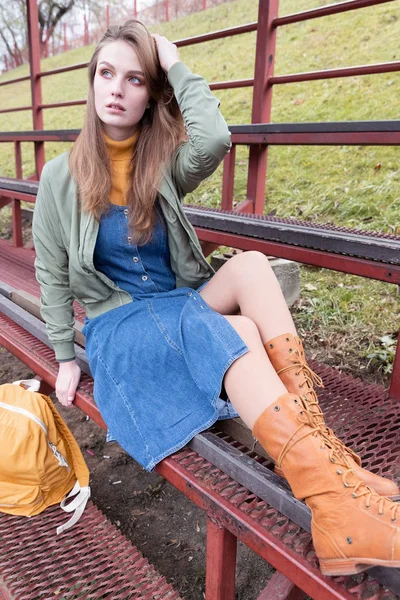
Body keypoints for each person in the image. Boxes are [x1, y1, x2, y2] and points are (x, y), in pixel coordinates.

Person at [32, 19, 399, 577]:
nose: (116, 89)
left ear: (152, 96)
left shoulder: (160, 164)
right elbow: (51, 271)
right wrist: (62, 352)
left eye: (134, 79)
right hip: (122, 328)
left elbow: (216, 140)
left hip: (178, 306)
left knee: (251, 267)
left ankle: (331, 472)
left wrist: (176, 65)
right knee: (240, 333)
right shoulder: (59, 178)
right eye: (106, 74)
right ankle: (335, 498)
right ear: (91, 84)